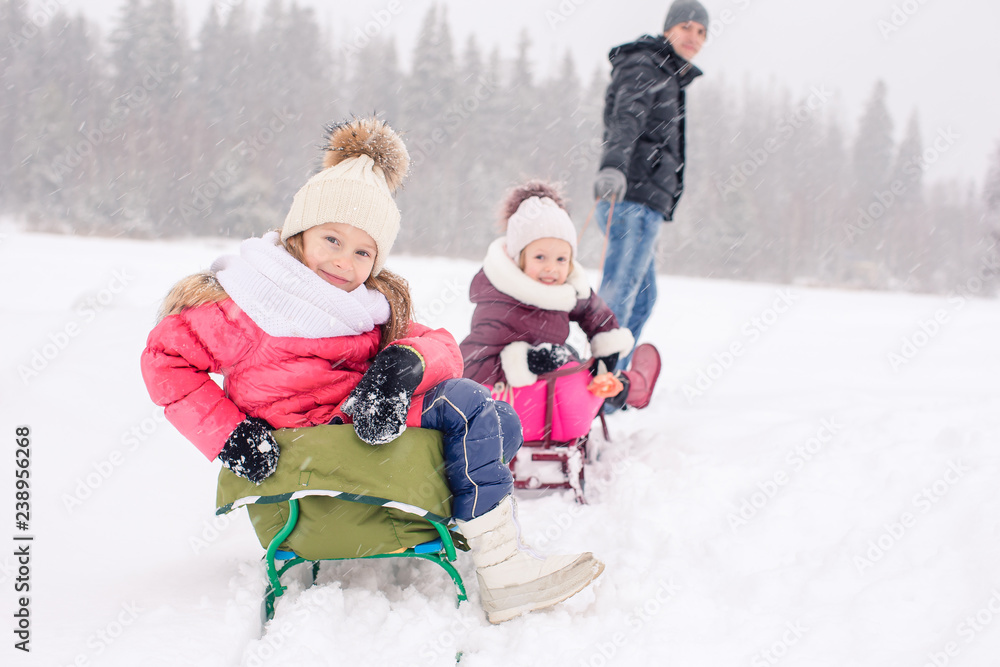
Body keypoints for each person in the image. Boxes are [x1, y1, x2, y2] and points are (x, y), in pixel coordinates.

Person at [139, 118, 603, 624]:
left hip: (354, 433)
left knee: (499, 421)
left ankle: (498, 556)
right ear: (299, 234)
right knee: (469, 407)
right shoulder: (250, 302)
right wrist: (231, 434)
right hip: (300, 460)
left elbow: (442, 345)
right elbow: (166, 360)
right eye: (332, 240)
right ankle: (502, 568)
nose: (344, 261)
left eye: (364, 251)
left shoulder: (364, 308)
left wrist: (399, 368)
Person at [460, 181, 661, 424]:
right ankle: (632, 386)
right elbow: (470, 367)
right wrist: (527, 360)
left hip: (554, 386)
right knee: (576, 374)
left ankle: (628, 386)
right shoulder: (500, 304)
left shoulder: (563, 290)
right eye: (540, 257)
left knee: (586, 372)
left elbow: (593, 312)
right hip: (519, 404)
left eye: (561, 259)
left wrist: (605, 353)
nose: (551, 268)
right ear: (518, 258)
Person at [592, 0, 708, 369]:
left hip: (647, 201)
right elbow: (625, 118)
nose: (694, 37)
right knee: (621, 293)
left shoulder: (669, 72)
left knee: (641, 298)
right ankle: (599, 384)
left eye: (702, 32)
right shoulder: (647, 64)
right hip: (632, 197)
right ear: (669, 27)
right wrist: (613, 167)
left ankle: (615, 380)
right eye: (687, 27)